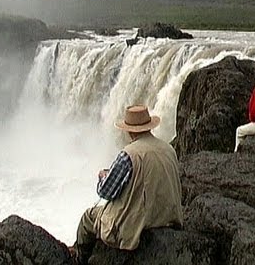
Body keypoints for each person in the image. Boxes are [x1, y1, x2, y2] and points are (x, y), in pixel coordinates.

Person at [71, 105, 183, 264]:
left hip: (137, 225)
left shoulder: (128, 154)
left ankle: (79, 259)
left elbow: (105, 191)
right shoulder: (169, 149)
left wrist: (103, 176)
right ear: (149, 126)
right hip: (168, 218)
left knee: (88, 218)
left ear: (130, 131)